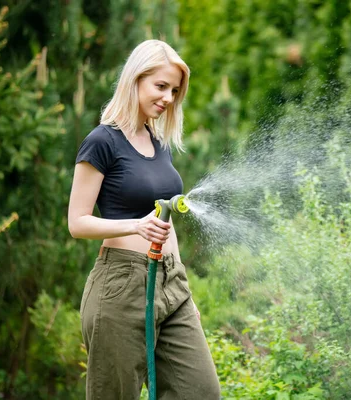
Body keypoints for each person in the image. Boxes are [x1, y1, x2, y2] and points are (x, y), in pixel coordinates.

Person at [68, 39, 221, 400]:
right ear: (135, 80)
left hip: (171, 282)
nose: (169, 98)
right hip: (121, 286)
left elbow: (166, 222)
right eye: (161, 86)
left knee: (201, 392)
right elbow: (78, 222)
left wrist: (184, 289)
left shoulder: (159, 143)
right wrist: (135, 224)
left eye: (175, 90)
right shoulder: (102, 142)